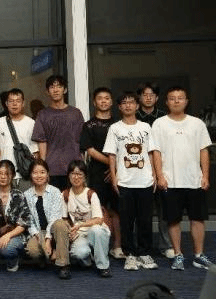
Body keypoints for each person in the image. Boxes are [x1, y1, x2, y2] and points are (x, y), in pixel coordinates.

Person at [152, 86, 214, 271]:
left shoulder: (197, 123)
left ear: (186, 101)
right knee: (173, 220)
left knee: (198, 219)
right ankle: (178, 255)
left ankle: (198, 255)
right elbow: (156, 152)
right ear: (167, 102)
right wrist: (160, 176)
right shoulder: (159, 124)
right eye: (172, 98)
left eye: (180, 98)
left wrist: (205, 176)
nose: (176, 101)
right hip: (170, 181)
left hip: (195, 180)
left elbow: (204, 150)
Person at [103, 92, 158, 272]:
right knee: (126, 221)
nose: (128, 105)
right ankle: (130, 254)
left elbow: (151, 152)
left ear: (137, 105)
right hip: (125, 182)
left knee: (145, 219)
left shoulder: (145, 127)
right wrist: (114, 177)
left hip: (145, 181)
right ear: (119, 107)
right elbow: (112, 155)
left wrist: (155, 175)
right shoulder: (115, 128)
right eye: (124, 103)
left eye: (131, 102)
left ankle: (144, 253)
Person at [80, 87, 123, 260]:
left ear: (111, 102)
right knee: (100, 209)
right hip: (97, 173)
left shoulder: (120, 124)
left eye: (107, 98)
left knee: (118, 210)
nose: (103, 101)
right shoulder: (89, 125)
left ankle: (118, 246)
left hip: (120, 173)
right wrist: (111, 164)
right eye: (100, 98)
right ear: (94, 102)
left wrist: (116, 169)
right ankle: (102, 246)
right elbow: (89, 150)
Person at [136, 82, 175, 259]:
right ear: (139, 97)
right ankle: (142, 246)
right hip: (138, 169)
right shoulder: (133, 117)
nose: (148, 97)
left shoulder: (165, 118)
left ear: (157, 98)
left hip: (163, 169)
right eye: (145, 94)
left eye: (151, 94)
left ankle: (166, 245)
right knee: (141, 212)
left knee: (163, 209)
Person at [32, 75, 84, 191]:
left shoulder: (76, 113)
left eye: (59, 86)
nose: (55, 90)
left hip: (74, 168)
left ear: (65, 90)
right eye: (52, 87)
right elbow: (42, 142)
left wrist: (82, 166)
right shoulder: (43, 114)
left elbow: (81, 141)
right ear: (47, 91)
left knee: (74, 201)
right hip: (52, 169)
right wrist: (43, 169)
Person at [23, 159, 71, 279]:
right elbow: (29, 221)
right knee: (32, 250)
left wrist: (48, 240)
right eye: (35, 172)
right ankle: (47, 257)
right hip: (39, 231)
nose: (39, 175)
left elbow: (55, 217)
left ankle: (63, 265)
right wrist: (38, 236)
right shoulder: (26, 194)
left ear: (48, 174)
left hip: (54, 230)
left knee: (60, 224)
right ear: (31, 175)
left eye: (42, 172)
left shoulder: (55, 191)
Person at [63, 160, 112, 278]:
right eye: (73, 174)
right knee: (78, 254)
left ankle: (103, 266)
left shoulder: (91, 194)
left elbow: (99, 220)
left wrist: (79, 225)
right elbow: (64, 219)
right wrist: (70, 231)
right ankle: (89, 258)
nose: (76, 177)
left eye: (79, 174)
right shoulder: (65, 194)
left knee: (97, 230)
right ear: (69, 176)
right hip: (79, 234)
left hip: (94, 231)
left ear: (85, 176)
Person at [0, 88, 39, 192]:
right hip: (5, 175)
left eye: (18, 101)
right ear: (6, 104)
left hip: (26, 175)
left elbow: (35, 151)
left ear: (23, 103)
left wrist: (35, 173)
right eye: (11, 101)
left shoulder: (31, 123)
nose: (14, 104)